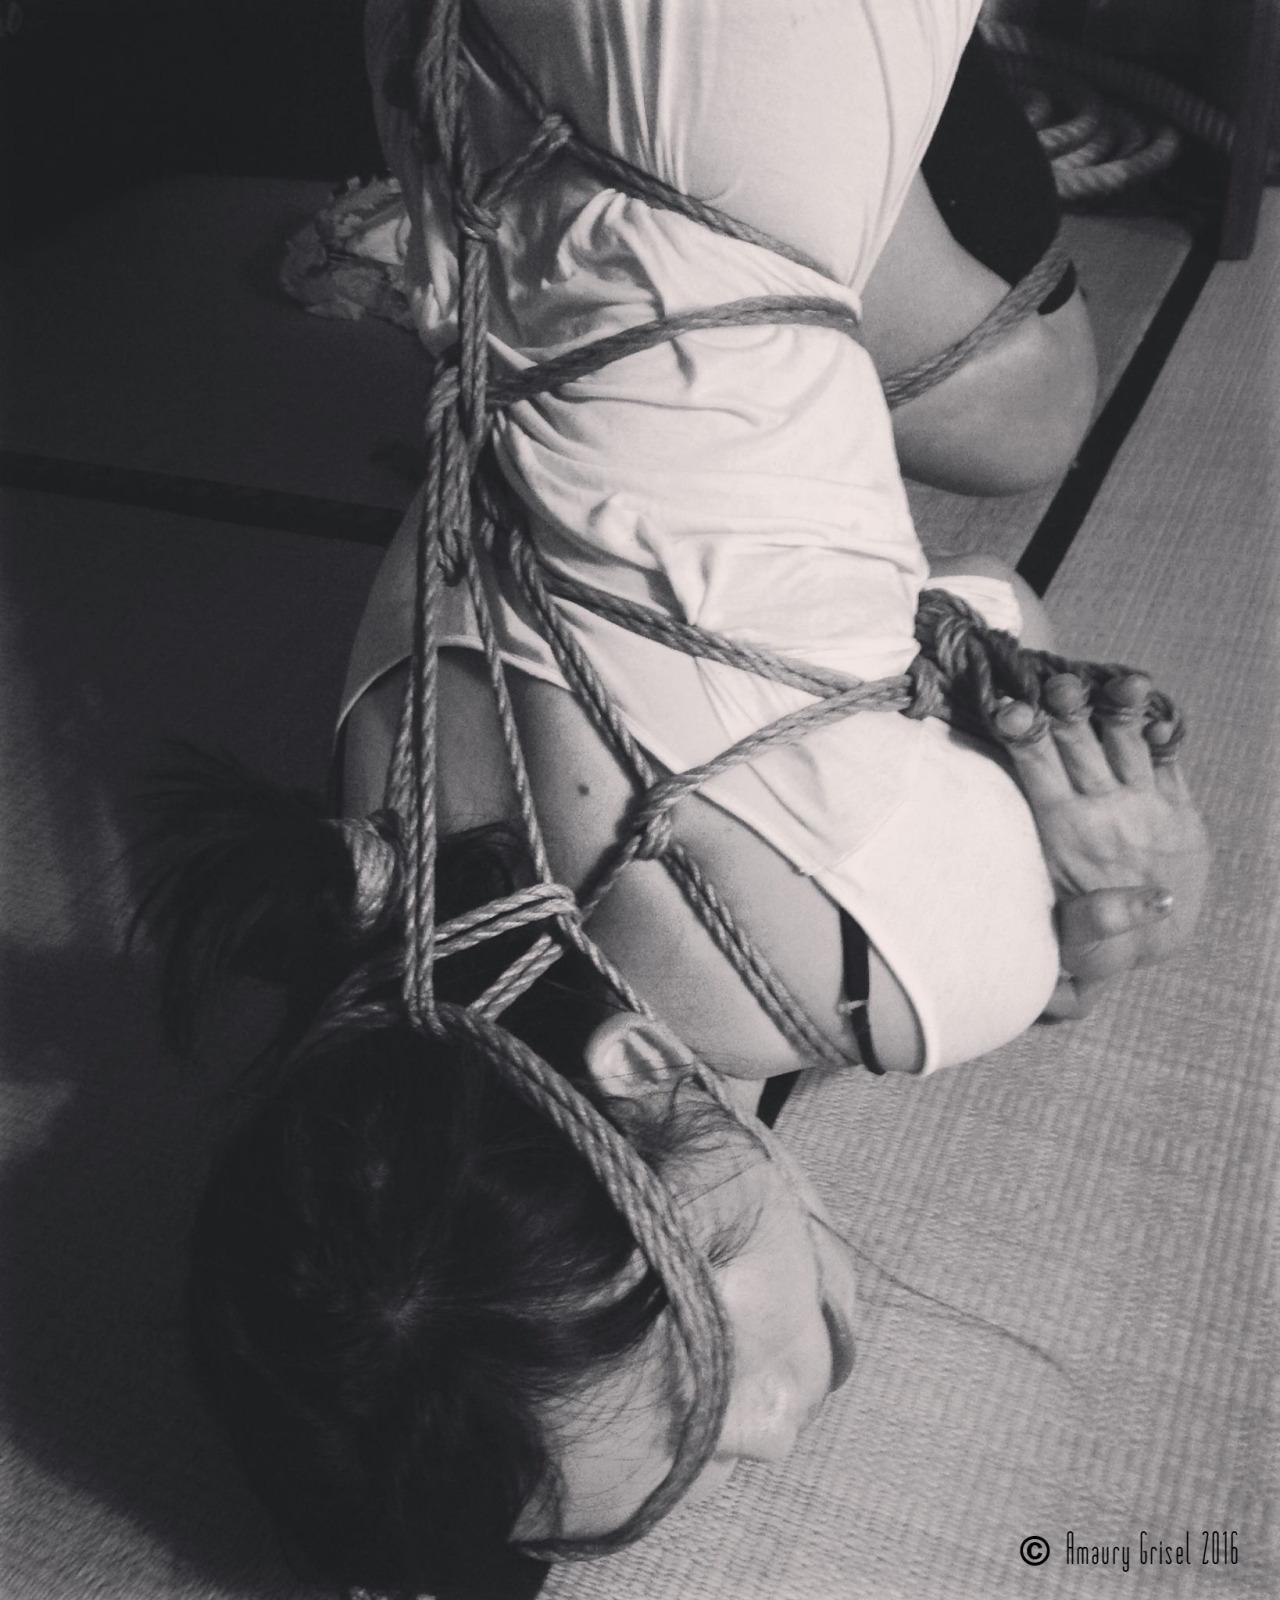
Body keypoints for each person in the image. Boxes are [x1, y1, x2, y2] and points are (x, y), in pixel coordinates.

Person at [141, 3, 1209, 1593]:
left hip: (723, 77)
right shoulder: (369, 835)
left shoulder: (876, 963)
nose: (774, 1432)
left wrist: (1136, 899)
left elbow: (988, 615)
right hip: (457, 84)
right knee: (1013, 405)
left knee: (1040, 406)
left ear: (641, 1059)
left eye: (706, 1395)